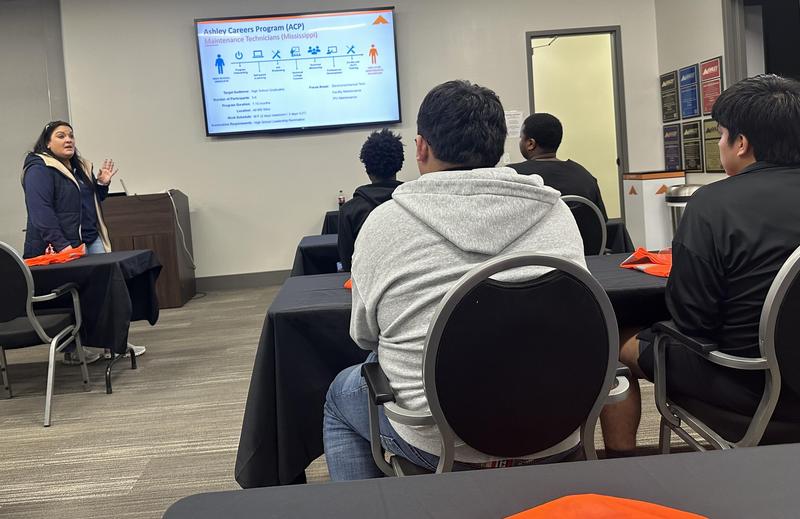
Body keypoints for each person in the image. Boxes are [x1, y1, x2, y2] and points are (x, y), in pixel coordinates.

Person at [323, 80, 586, 480]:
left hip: (440, 442)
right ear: (500, 147)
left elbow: (364, 336)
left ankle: (375, 505)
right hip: (556, 429)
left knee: (339, 397)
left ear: (421, 148)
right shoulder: (557, 213)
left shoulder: (384, 224)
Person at [602, 74, 800, 457]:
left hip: (747, 383)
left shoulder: (712, 204)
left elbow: (694, 321)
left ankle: (621, 463)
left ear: (741, 143)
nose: (721, 143)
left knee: (614, 337)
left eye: (721, 134)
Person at [21, 121, 143, 364]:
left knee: (104, 293)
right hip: (62, 246)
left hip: (91, 238)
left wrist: (102, 184)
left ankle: (113, 343)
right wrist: (62, 246)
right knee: (71, 298)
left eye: (71, 135)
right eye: (60, 136)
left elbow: (87, 202)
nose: (68, 140)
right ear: (47, 143)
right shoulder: (39, 168)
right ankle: (73, 350)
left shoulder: (79, 167)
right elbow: (41, 212)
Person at [508, 113, 607, 220]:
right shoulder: (585, 177)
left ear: (530, 144)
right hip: (580, 232)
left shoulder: (512, 175)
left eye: (521, 138)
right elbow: (601, 221)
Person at [337, 128, 404, 272]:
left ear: (367, 168)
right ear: (400, 165)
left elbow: (347, 263)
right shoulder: (413, 202)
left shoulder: (349, 211)